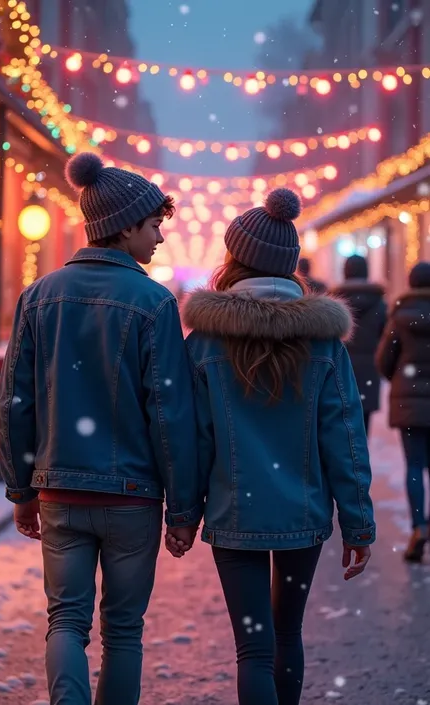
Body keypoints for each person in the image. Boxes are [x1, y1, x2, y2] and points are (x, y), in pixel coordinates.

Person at [0, 153, 201, 705]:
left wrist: (21, 488)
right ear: (125, 225)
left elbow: (16, 401)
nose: (159, 237)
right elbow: (170, 413)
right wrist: (182, 509)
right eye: (154, 224)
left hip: (60, 489)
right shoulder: (154, 303)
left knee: (65, 620)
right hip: (133, 496)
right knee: (123, 631)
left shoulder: (40, 297)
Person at [168, 189, 376, 705]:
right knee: (287, 637)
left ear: (233, 261)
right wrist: (357, 522)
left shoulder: (205, 345)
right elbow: (344, 434)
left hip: (234, 514)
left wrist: (184, 513)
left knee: (253, 650)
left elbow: (192, 437)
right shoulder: (323, 344)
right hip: (302, 513)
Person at [376, 261, 430, 563]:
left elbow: (384, 359)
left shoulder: (400, 316)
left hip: (408, 402)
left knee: (413, 466)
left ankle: (418, 527)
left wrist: (399, 380)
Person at [332, 255, 386, 435]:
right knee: (364, 423)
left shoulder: (334, 301)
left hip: (340, 368)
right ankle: (361, 459)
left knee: (341, 423)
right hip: (369, 368)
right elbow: (386, 336)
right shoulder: (379, 303)